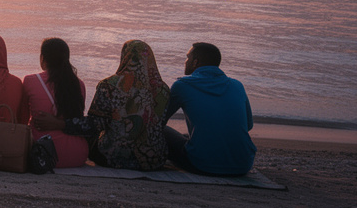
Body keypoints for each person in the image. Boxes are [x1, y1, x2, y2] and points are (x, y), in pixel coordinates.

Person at [61, 39, 171, 170]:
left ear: (125, 57)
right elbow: (160, 123)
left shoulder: (109, 85)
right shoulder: (163, 90)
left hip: (113, 158)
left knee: (89, 138)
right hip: (153, 160)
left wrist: (63, 124)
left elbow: (95, 124)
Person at [162, 42, 256, 176]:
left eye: (187, 58)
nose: (185, 61)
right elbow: (248, 126)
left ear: (195, 62)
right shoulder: (237, 85)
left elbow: (159, 120)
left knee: (162, 131)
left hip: (201, 164)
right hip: (243, 165)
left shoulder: (183, 85)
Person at [23, 38, 89, 168]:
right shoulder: (78, 84)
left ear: (42, 59)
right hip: (78, 155)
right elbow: (77, 119)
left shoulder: (30, 81)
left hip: (45, 153)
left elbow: (22, 119)